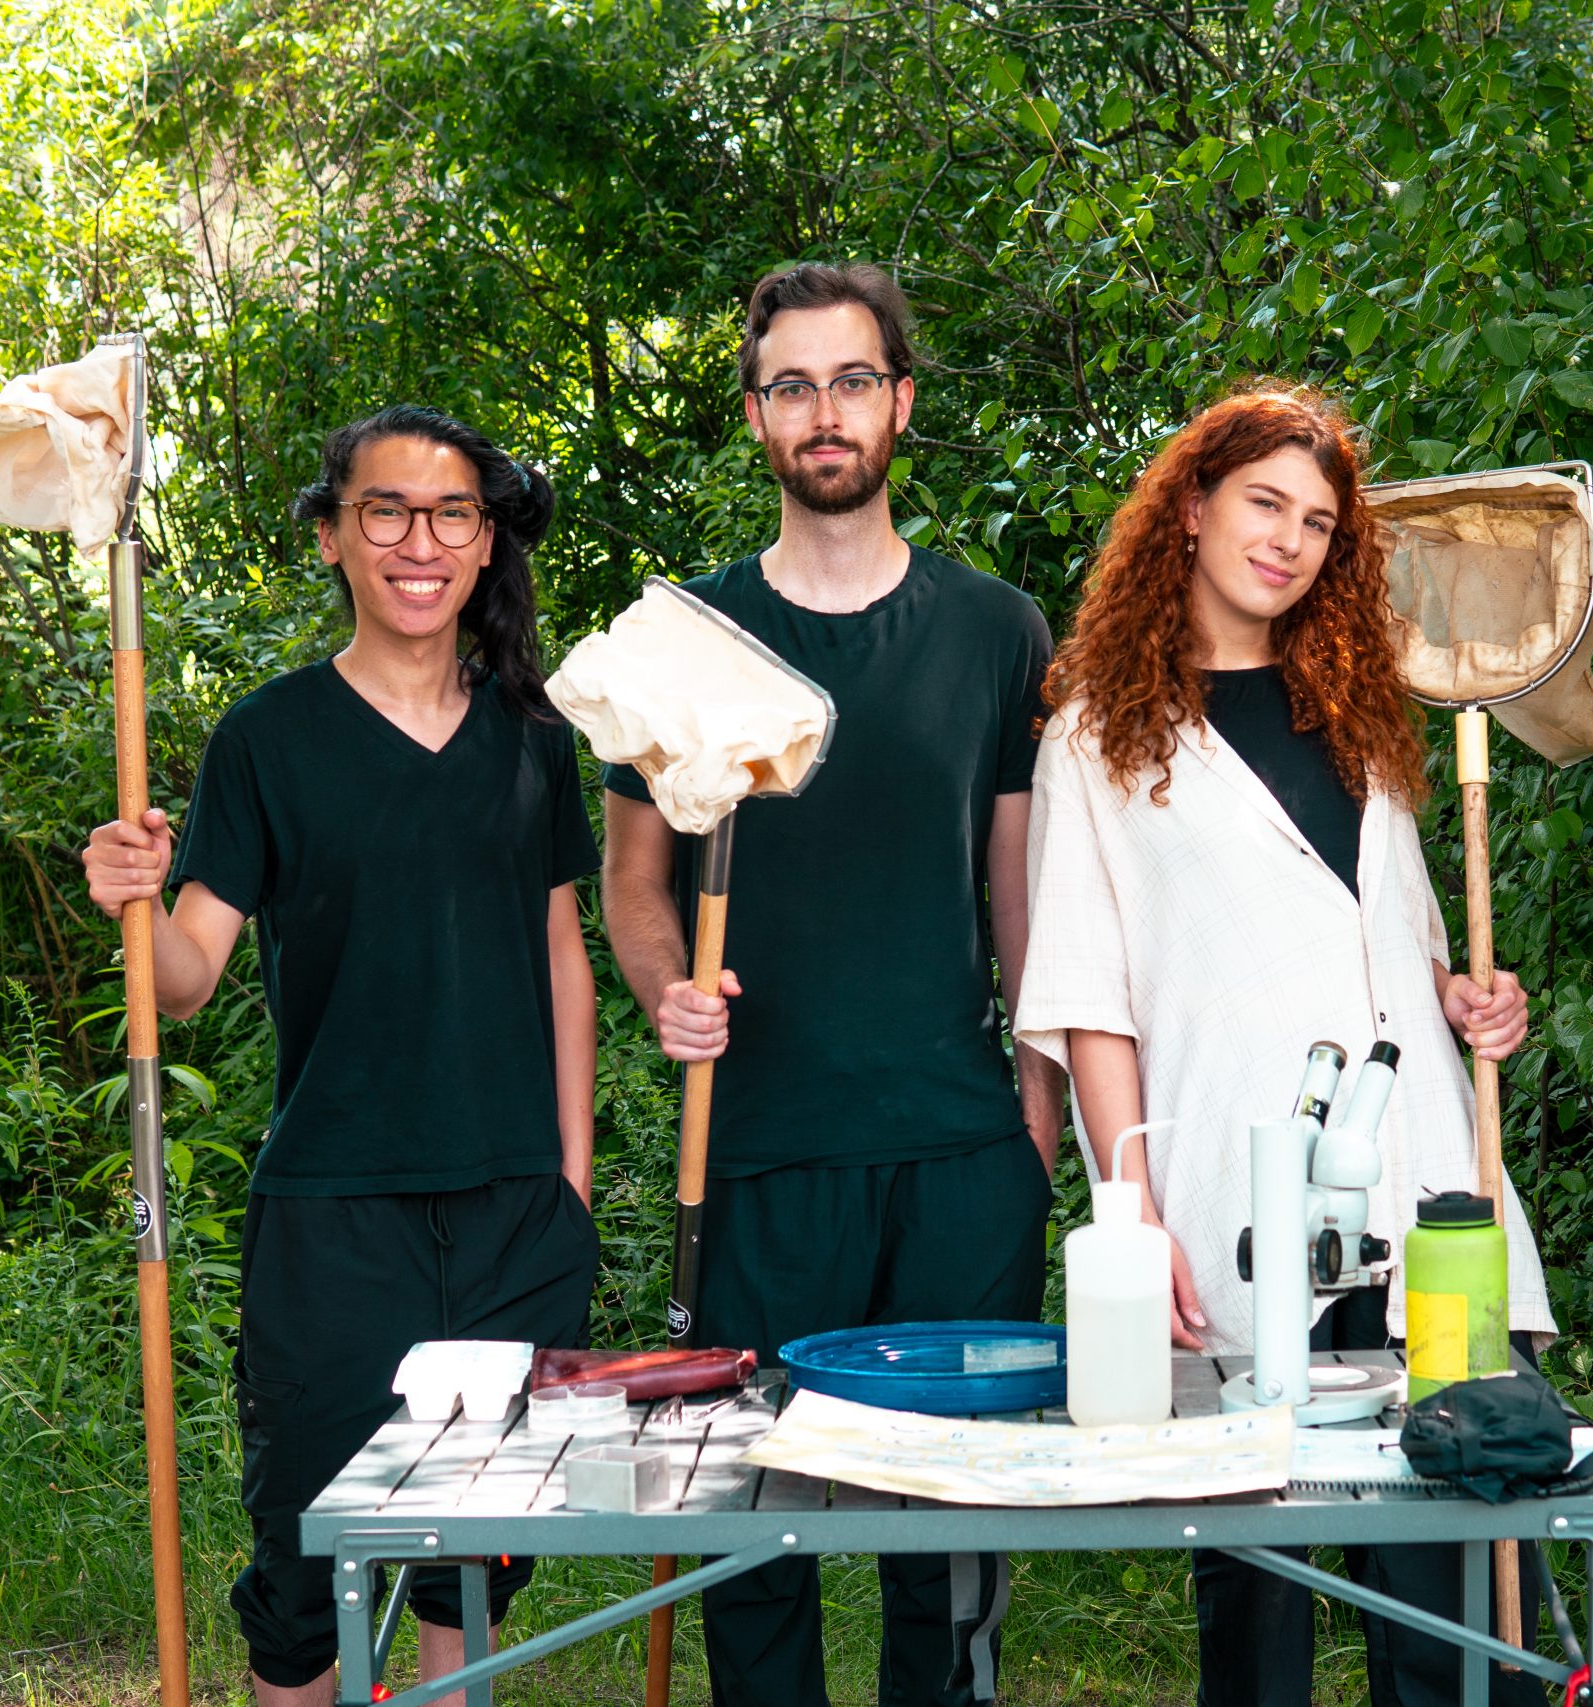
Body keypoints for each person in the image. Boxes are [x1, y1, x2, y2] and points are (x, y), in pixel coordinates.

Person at [1014, 385, 1552, 1707]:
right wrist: (1131, 1209)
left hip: (1423, 1177)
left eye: (1318, 520)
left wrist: (1471, 996)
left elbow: (1402, 948)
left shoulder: (1362, 709)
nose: (1290, 539)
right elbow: (1089, 993)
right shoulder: (1099, 735)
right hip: (1231, 1192)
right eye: (1265, 502)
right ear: (1190, 508)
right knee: (1257, 1585)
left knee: (1458, 1561)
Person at [79, 406, 601, 1706]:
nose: (419, 541)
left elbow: (563, 961)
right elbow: (187, 980)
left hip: (510, 1208)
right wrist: (134, 902)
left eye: (452, 514)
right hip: (331, 1216)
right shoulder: (270, 740)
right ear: (332, 535)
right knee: (309, 1573)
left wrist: (572, 1188)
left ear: (486, 544)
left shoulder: (536, 736)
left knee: (468, 1560)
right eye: (386, 510)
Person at [599, 262, 1063, 1706]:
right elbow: (630, 884)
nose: (825, 409)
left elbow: (1023, 897)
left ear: (900, 401)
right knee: (756, 1536)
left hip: (956, 1148)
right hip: (753, 1148)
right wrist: (669, 993)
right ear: (754, 415)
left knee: (950, 1543)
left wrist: (1036, 1123)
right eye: (791, 383)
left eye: (852, 379)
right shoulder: (683, 641)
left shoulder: (999, 631)